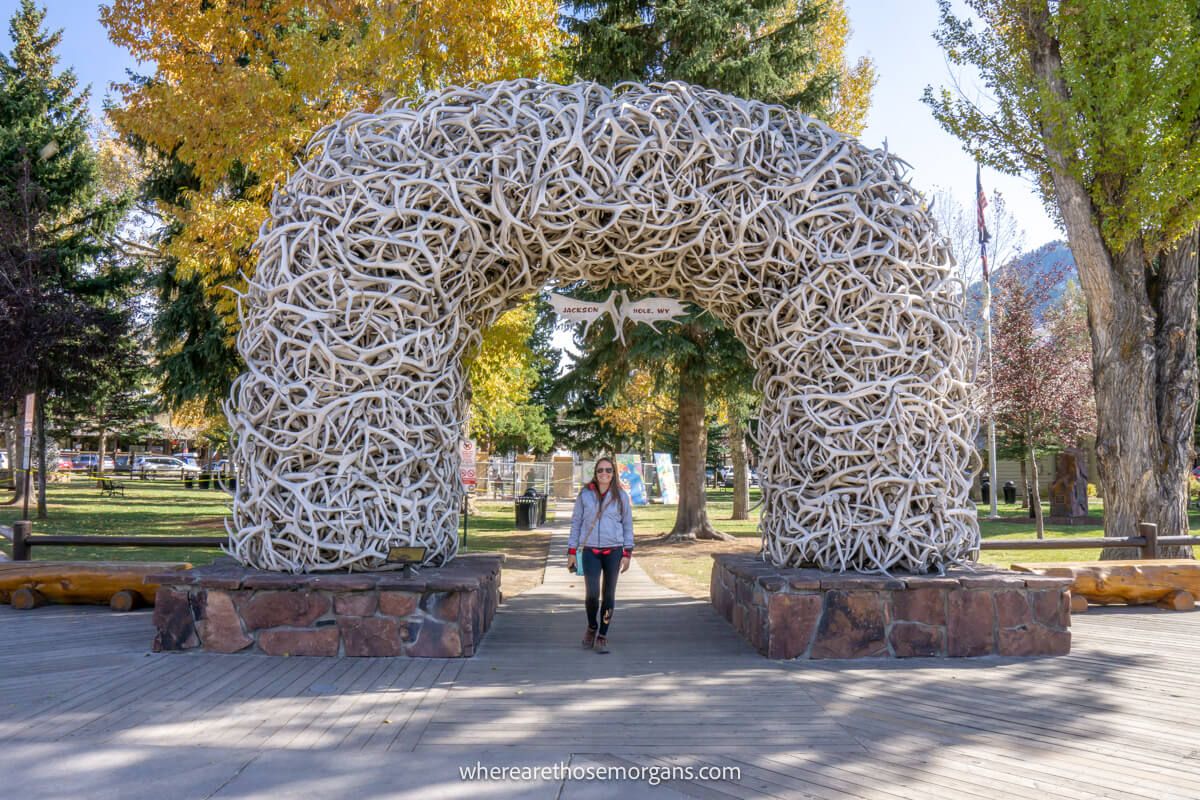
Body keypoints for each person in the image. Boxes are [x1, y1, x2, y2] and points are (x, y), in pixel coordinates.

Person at [566, 457, 633, 654]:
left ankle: (602, 635)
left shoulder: (621, 496)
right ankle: (591, 626)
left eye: (609, 470)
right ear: (595, 473)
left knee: (609, 595)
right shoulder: (585, 494)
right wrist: (571, 551)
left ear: (614, 474)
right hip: (590, 551)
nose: (604, 474)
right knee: (592, 594)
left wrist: (627, 552)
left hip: (614, 550)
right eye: (600, 470)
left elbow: (628, 525)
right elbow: (576, 522)